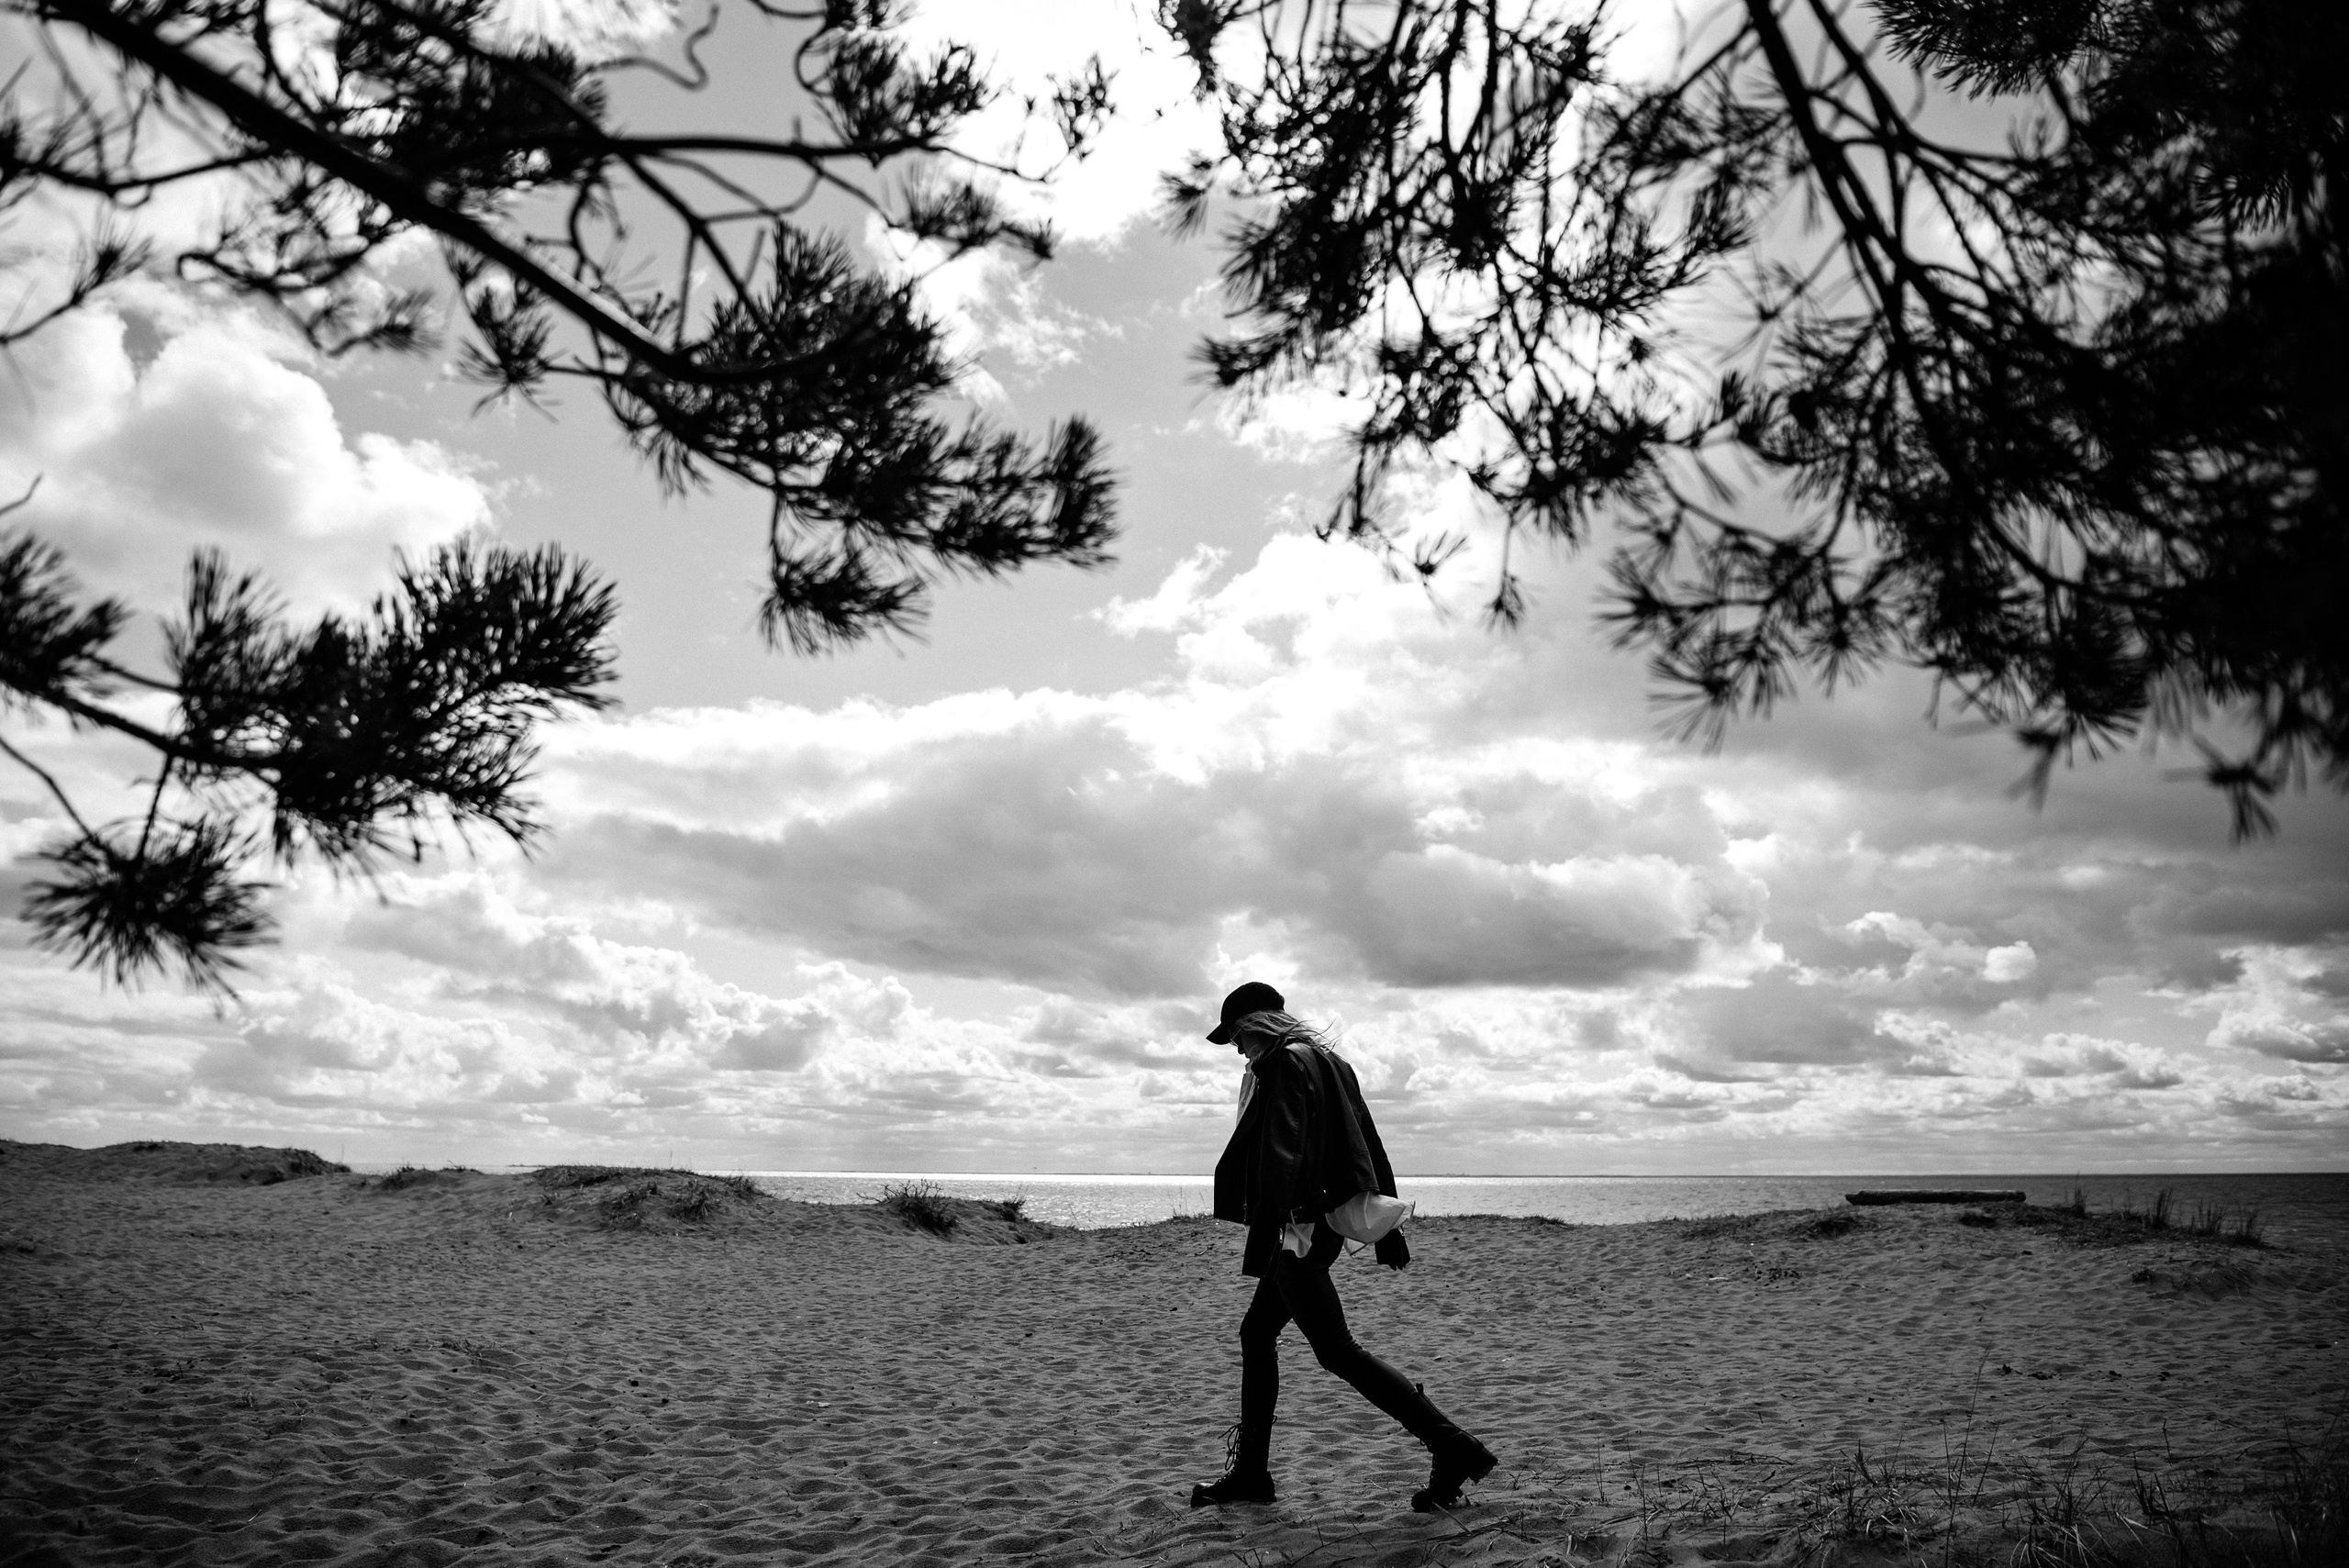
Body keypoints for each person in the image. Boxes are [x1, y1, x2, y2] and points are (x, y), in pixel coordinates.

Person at [1190, 980, 1497, 1512]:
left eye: (1237, 1036)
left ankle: (1453, 1447)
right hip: (1319, 1224)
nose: (1237, 1049)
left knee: (1337, 1351)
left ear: (1254, 1026)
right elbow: (1367, 1140)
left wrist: (1268, 1231)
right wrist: (1388, 1223)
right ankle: (1252, 1474)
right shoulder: (1332, 1062)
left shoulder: (1283, 1064)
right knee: (1257, 1333)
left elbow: (1280, 1154)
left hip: (1299, 1229)